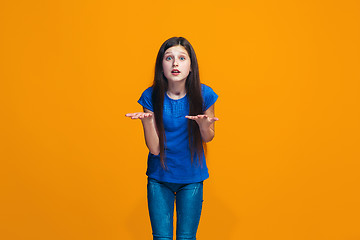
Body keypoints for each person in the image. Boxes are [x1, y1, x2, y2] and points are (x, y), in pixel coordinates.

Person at [125, 36, 219, 240]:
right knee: (161, 238)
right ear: (162, 65)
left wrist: (204, 125)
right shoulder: (151, 96)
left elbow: (208, 137)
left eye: (182, 58)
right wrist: (148, 122)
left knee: (187, 238)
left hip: (192, 178)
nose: (175, 63)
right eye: (169, 58)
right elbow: (155, 150)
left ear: (191, 66)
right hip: (159, 178)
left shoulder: (204, 94)